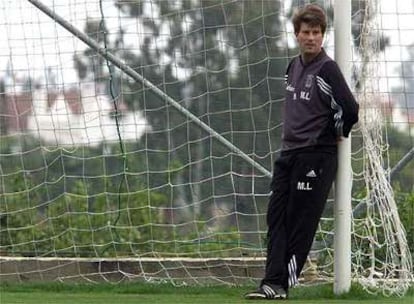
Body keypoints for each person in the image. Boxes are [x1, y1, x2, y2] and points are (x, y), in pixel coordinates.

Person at [244, 4, 359, 300]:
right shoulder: (292, 67)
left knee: (300, 221)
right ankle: (271, 281)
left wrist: (336, 133)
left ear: (323, 36)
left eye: (317, 33)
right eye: (306, 32)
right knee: (275, 217)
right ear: (297, 34)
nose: (312, 38)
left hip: (315, 157)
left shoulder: (327, 69)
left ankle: (282, 283)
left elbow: (349, 109)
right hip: (288, 153)